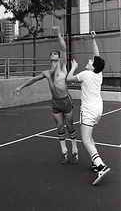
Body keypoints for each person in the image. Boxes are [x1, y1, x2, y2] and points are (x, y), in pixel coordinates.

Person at [14, 26, 78, 164]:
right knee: (60, 126)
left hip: (65, 101)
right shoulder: (47, 73)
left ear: (59, 58)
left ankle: (74, 149)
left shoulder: (62, 67)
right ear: (50, 57)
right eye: (52, 54)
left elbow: (64, 48)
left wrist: (58, 34)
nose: (54, 55)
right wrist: (21, 86)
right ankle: (64, 151)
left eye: (56, 54)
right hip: (55, 102)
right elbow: (33, 79)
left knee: (70, 125)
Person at [66, 31, 110, 185]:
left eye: (91, 61)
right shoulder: (98, 74)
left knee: (85, 140)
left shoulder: (85, 74)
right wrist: (93, 39)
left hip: (89, 110)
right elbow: (97, 55)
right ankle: (94, 161)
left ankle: (101, 166)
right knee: (90, 137)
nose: (90, 60)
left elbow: (68, 79)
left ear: (93, 66)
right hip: (98, 109)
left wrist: (72, 68)